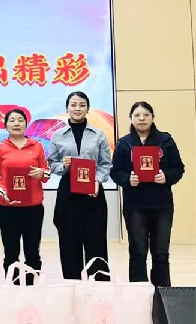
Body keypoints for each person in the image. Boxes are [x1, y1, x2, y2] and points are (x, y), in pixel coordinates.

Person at [110, 102, 184, 286]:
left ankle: (162, 294)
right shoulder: (124, 143)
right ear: (131, 119)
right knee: (138, 252)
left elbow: (178, 168)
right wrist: (128, 179)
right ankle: (138, 294)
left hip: (162, 206)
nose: (141, 118)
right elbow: (115, 172)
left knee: (161, 253)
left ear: (152, 117)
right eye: (137, 115)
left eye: (146, 115)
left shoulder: (165, 140)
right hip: (135, 206)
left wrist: (166, 176)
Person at [48, 91, 111, 280]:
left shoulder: (99, 134)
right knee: (69, 243)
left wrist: (97, 181)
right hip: (68, 193)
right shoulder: (57, 135)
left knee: (96, 243)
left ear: (88, 108)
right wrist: (63, 165)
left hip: (93, 193)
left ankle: (99, 288)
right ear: (67, 108)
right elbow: (52, 164)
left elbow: (105, 164)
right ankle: (72, 285)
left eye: (82, 105)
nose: (77, 108)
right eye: (73, 105)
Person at [0, 109, 50, 285]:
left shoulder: (37, 146)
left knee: (33, 252)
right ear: (6, 125)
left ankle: (32, 287)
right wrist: (3, 193)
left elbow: (47, 173)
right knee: (11, 252)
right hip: (8, 209)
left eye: (20, 120)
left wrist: (41, 173)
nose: (16, 123)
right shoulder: (0, 148)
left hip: (33, 208)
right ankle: (12, 287)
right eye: (12, 120)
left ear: (26, 124)